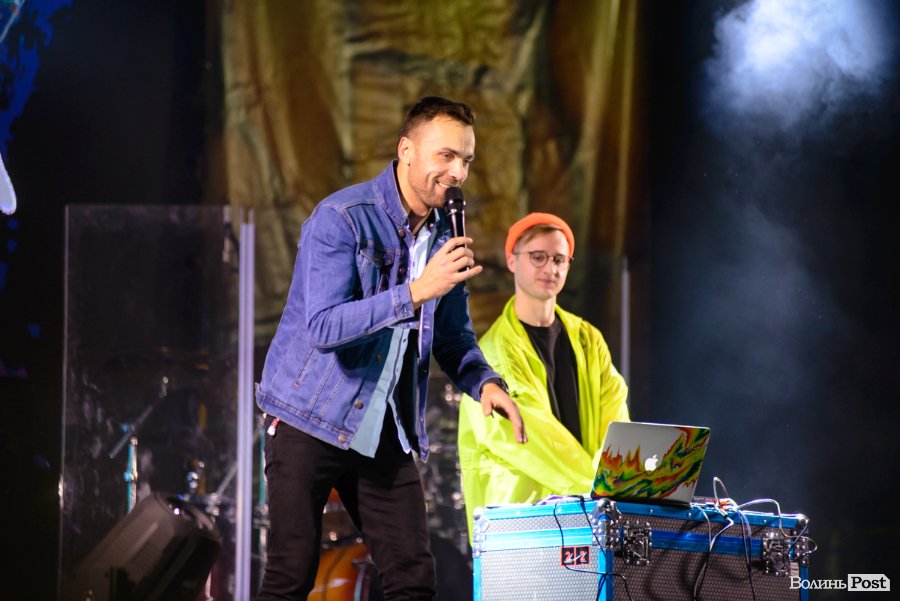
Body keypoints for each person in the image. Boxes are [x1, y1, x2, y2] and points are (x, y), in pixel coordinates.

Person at [254, 96, 527, 601]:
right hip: (307, 417)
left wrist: (485, 383)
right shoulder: (342, 217)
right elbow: (324, 327)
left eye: (466, 160)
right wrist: (416, 291)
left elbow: (452, 336)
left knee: (412, 578)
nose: (458, 172)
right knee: (291, 575)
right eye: (446, 156)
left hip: (381, 426)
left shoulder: (445, 235)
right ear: (406, 151)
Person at [457, 212, 630, 538]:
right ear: (512, 260)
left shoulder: (588, 340)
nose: (550, 268)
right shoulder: (492, 356)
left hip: (586, 520)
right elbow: (532, 440)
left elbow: (615, 420)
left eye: (559, 259)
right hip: (522, 527)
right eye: (538, 257)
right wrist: (603, 489)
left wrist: (616, 480)